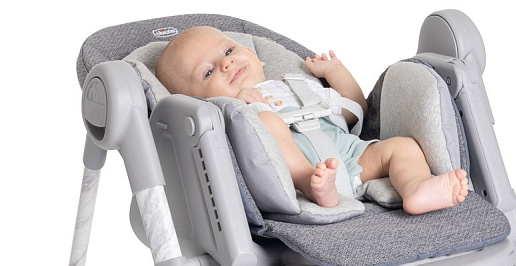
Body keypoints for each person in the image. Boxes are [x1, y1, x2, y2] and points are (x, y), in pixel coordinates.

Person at [156, 26, 469, 213]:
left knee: (403, 146)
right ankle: (312, 183)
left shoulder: (297, 84)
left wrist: (336, 73)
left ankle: (415, 188)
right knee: (268, 122)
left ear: (256, 57)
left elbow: (355, 111)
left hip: (352, 156)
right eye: (208, 72)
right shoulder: (228, 114)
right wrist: (240, 107)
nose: (226, 64)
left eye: (228, 51)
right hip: (298, 174)